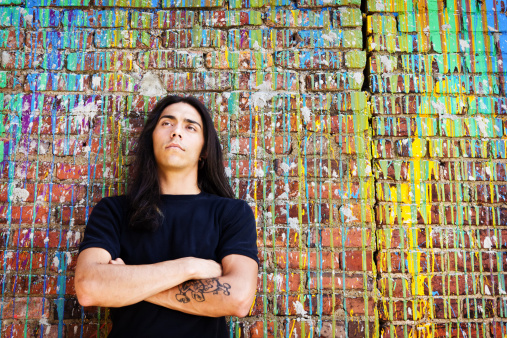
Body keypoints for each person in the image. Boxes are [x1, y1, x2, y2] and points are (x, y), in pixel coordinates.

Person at [75, 95, 259, 337]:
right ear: (152, 138)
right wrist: (190, 266)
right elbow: (89, 287)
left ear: (204, 149)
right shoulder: (113, 211)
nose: (176, 132)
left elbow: (238, 298)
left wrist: (128, 282)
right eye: (167, 123)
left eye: (190, 126)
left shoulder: (232, 213)